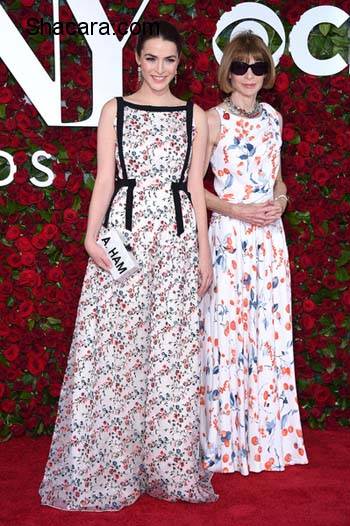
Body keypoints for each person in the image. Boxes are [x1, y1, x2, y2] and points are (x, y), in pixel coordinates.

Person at [39, 20, 217, 510]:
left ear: (179, 65)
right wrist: (89, 236)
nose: (160, 69)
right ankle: (108, 466)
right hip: (125, 238)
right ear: (136, 59)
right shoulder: (113, 111)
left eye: (170, 60)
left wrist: (204, 252)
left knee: (170, 357)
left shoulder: (195, 116)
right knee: (115, 352)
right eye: (152, 58)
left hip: (177, 243)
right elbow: (103, 180)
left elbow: (197, 194)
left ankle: (167, 468)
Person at [199, 31, 308, 475]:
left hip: (269, 240)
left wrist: (281, 201)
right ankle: (223, 445)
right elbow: (191, 188)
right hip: (228, 236)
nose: (249, 75)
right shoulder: (211, 118)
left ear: (268, 72)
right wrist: (237, 209)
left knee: (269, 335)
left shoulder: (274, 119)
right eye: (241, 66)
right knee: (226, 336)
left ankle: (266, 442)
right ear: (228, 71)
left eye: (258, 66)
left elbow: (278, 179)